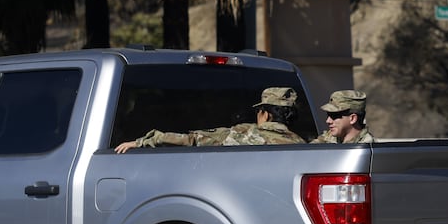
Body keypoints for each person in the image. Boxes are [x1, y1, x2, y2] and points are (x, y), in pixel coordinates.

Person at [114, 87, 305, 153]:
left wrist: (142, 142)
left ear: (266, 114)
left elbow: (191, 140)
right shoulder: (302, 145)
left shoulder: (245, 134)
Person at [311, 89, 375, 143]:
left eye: (334, 115)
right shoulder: (329, 138)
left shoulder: (366, 146)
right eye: (328, 115)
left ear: (352, 118)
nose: (328, 121)